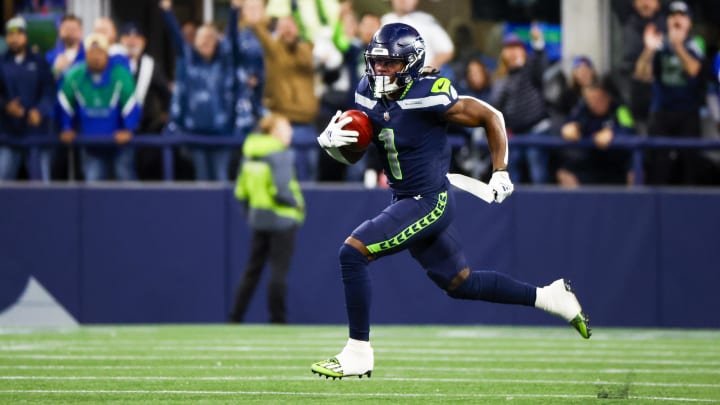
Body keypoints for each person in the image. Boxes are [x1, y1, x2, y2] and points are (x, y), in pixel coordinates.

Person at [310, 23, 590, 379]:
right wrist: (338, 145)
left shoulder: (430, 94)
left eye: (390, 63)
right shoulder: (365, 90)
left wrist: (500, 170)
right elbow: (360, 150)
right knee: (461, 283)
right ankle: (550, 297)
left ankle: (358, 352)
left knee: (352, 253)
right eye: (377, 62)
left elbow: (492, 116)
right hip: (403, 197)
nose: (381, 70)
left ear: (411, 63)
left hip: (428, 201)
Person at [230, 113, 304, 324]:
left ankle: (235, 317)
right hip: (283, 219)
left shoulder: (249, 152)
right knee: (278, 272)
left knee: (252, 271)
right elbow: (281, 190)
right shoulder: (279, 153)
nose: (290, 132)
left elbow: (241, 192)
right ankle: (277, 319)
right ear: (273, 131)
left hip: (259, 218)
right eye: (285, 127)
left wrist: (252, 213)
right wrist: (296, 205)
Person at [160, 0, 240, 181]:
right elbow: (176, 37)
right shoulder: (187, 61)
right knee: (202, 180)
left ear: (216, 42)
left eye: (210, 37)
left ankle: (222, 211)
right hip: (195, 134)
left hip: (221, 133)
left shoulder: (225, 62)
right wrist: (167, 11)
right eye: (201, 37)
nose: (206, 41)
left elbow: (233, 37)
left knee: (221, 179)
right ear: (194, 41)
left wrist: (234, 10)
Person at [634, 0, 705, 185]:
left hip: (687, 112)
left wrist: (678, 46)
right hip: (662, 111)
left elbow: (693, 70)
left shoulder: (696, 43)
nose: (676, 20)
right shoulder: (659, 43)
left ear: (689, 22)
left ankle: (691, 204)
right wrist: (648, 51)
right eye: (672, 16)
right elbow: (641, 73)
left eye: (682, 16)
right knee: (658, 164)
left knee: (690, 163)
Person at [246, 8, 319, 181]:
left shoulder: (306, 49)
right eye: (283, 26)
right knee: (287, 175)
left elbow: (314, 34)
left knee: (311, 174)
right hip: (285, 125)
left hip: (308, 124)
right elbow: (257, 27)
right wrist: (267, 15)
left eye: (291, 26)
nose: (288, 30)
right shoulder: (273, 49)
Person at [58, 33, 140, 181]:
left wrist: (128, 129)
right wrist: (66, 127)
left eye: (100, 52)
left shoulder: (121, 74)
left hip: (119, 145)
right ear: (86, 54)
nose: (96, 57)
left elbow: (131, 104)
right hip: (90, 145)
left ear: (107, 54)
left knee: (125, 178)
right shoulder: (75, 75)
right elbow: (64, 103)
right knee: (93, 182)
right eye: (92, 52)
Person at [492, 29, 551, 184]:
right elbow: (496, 105)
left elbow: (541, 66)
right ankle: (511, 206)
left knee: (535, 163)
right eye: (509, 48)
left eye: (516, 48)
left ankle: (541, 205)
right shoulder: (501, 78)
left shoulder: (531, 68)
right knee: (509, 166)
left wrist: (538, 44)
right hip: (514, 133)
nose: (512, 52)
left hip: (536, 128)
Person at [0, 16, 55, 181]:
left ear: (26, 37)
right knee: (2, 184)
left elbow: (49, 91)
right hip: (8, 134)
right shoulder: (1, 62)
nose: (14, 38)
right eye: (10, 35)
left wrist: (40, 110)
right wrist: (6, 106)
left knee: (42, 186)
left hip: (36, 133)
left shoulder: (39, 62)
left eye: (18, 34)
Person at [119, 22, 172, 180]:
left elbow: (165, 92)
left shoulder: (150, 65)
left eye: (136, 37)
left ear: (143, 41)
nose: (132, 41)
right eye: (128, 37)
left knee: (146, 169)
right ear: (121, 40)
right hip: (118, 128)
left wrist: (166, 113)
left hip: (145, 127)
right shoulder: (113, 64)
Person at [557, 81, 635, 187]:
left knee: (635, 169)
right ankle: (575, 203)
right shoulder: (583, 109)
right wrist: (568, 128)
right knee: (564, 172)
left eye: (598, 98)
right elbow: (570, 123)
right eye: (591, 100)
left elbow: (629, 129)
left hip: (617, 161)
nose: (594, 103)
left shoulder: (620, 109)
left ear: (607, 97)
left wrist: (613, 133)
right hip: (591, 160)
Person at [381, 0, 455, 79]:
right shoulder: (384, 21)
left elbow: (447, 50)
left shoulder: (426, 20)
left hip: (422, 81)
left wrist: (428, 70)